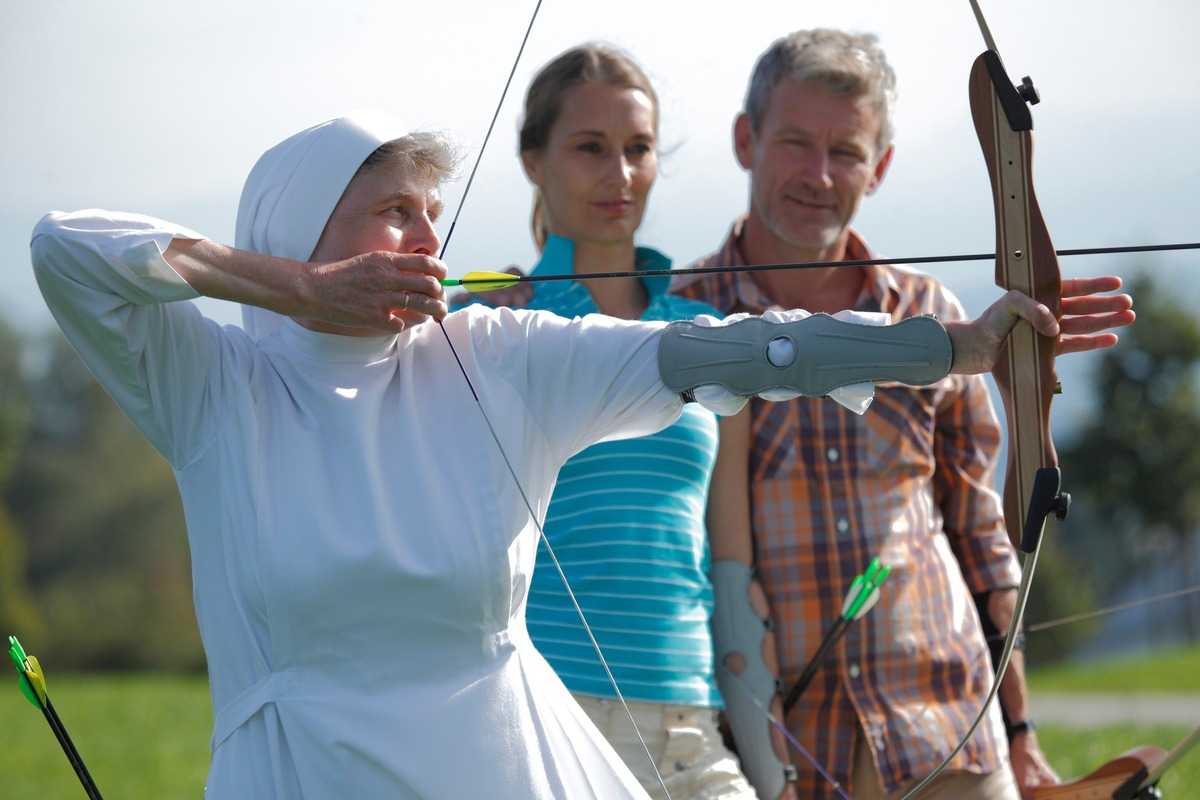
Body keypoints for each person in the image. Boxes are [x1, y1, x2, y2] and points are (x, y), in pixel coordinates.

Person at [30, 108, 1126, 800]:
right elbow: (66, 245)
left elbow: (724, 350)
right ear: (293, 230)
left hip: (508, 763)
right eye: (391, 213)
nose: (426, 238)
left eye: (431, 212)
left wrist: (952, 343)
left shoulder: (498, 353)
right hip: (296, 767)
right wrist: (296, 292)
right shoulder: (215, 385)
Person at [670, 29, 1133, 800]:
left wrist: (1019, 732)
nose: (819, 175)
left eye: (847, 152)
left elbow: (982, 536)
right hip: (769, 751)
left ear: (879, 167)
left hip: (947, 727)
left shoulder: (929, 311)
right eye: (794, 142)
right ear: (746, 140)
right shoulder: (682, 321)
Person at [459, 43, 760, 800]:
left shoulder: (705, 333)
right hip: (540, 715)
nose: (619, 175)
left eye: (638, 150)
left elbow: (729, 562)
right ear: (535, 159)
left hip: (690, 725)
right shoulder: (487, 329)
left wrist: (760, 726)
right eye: (590, 148)